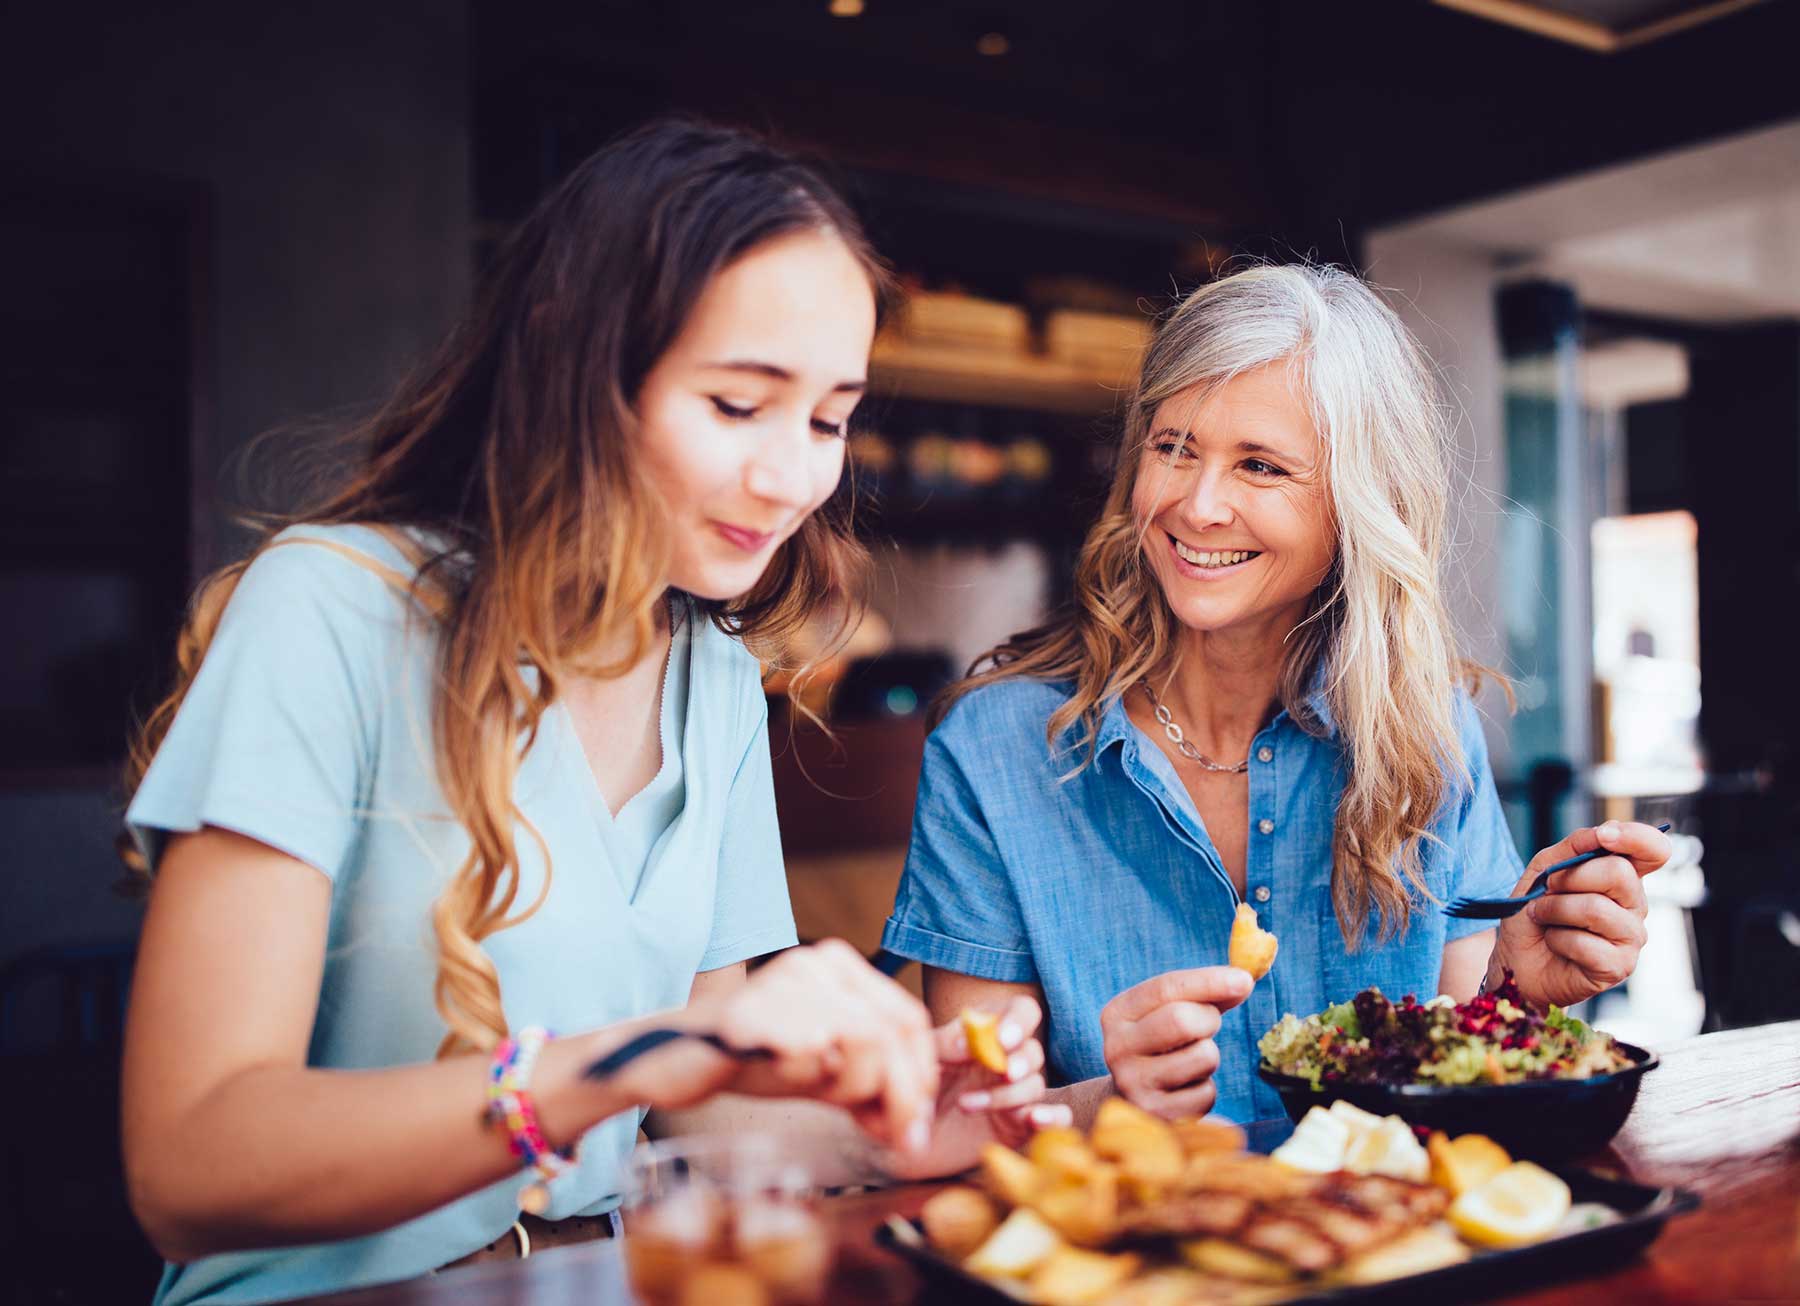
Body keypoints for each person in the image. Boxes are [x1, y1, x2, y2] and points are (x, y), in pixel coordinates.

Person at [119, 119, 1061, 1306]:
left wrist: (889, 1122)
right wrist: (622, 1061)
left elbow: (701, 1079)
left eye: (827, 420)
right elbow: (190, 1162)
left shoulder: (712, 670)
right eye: (737, 405)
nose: (791, 477)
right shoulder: (329, 611)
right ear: (580, 367)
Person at [881, 263, 1672, 1126]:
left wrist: (1516, 993)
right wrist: (1111, 1102)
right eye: (1173, 446)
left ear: (1359, 504)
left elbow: (1456, 1079)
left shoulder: (1426, 732)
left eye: (1260, 465)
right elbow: (964, 1123)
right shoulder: (993, 750)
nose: (1197, 504)